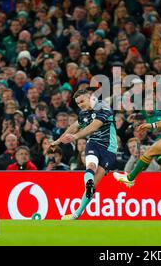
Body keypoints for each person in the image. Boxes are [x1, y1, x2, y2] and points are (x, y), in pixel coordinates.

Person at [48, 88, 117, 220]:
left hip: (109, 148)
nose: (81, 105)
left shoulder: (103, 107)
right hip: (93, 144)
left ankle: (77, 212)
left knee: (96, 182)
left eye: (82, 101)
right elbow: (73, 127)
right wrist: (58, 140)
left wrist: (76, 137)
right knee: (91, 165)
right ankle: (87, 187)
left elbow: (94, 126)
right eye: (78, 103)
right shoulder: (83, 114)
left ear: (90, 97)